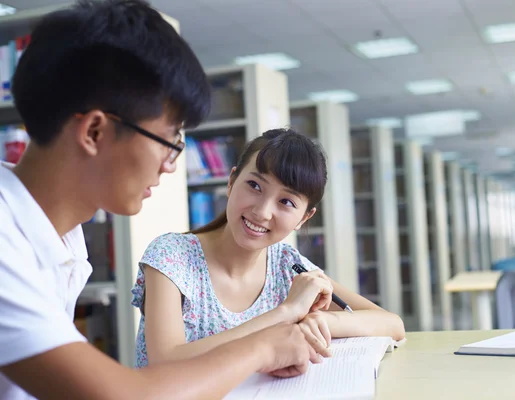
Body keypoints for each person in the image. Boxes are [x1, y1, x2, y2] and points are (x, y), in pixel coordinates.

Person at [0, 1, 316, 399]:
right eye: (168, 141)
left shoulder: (62, 234)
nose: (169, 166)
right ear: (95, 132)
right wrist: (265, 345)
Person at [132, 129, 406, 368]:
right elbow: (166, 363)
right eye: (254, 185)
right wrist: (286, 314)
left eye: (286, 202)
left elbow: (392, 324)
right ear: (231, 182)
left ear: (304, 218)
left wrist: (319, 323)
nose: (262, 212)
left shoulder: (287, 266)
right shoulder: (172, 256)